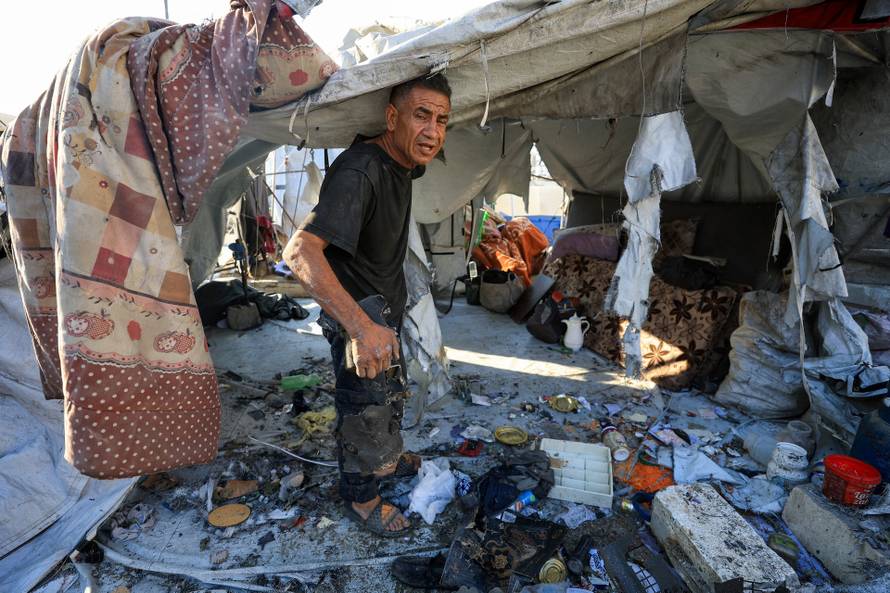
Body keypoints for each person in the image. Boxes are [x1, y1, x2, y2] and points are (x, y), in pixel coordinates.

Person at [283, 73, 451, 536]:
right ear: (392, 117)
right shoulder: (361, 170)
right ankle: (361, 498)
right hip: (358, 314)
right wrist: (360, 327)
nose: (433, 131)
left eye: (442, 119)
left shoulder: (403, 163)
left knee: (386, 400)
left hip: (381, 311)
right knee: (364, 409)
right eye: (421, 115)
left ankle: (386, 463)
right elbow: (299, 253)